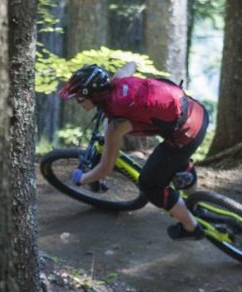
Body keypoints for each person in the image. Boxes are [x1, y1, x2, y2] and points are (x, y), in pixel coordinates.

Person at [60, 64, 208, 241]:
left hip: (186, 134)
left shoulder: (116, 126)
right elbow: (132, 64)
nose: (78, 102)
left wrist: (81, 178)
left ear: (91, 95)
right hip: (197, 112)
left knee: (149, 185)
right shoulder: (119, 80)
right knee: (175, 160)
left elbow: (105, 169)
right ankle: (196, 202)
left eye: (79, 98)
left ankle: (191, 227)